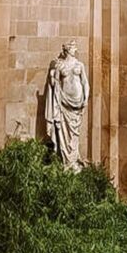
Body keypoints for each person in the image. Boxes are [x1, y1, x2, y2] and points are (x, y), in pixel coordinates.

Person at [45, 40, 90, 171]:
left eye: (75, 48)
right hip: (63, 102)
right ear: (67, 50)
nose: (75, 50)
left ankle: (74, 159)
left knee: (74, 134)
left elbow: (85, 83)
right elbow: (55, 84)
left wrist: (86, 98)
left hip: (77, 103)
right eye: (73, 48)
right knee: (64, 132)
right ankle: (67, 161)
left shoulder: (80, 65)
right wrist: (52, 77)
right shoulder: (60, 65)